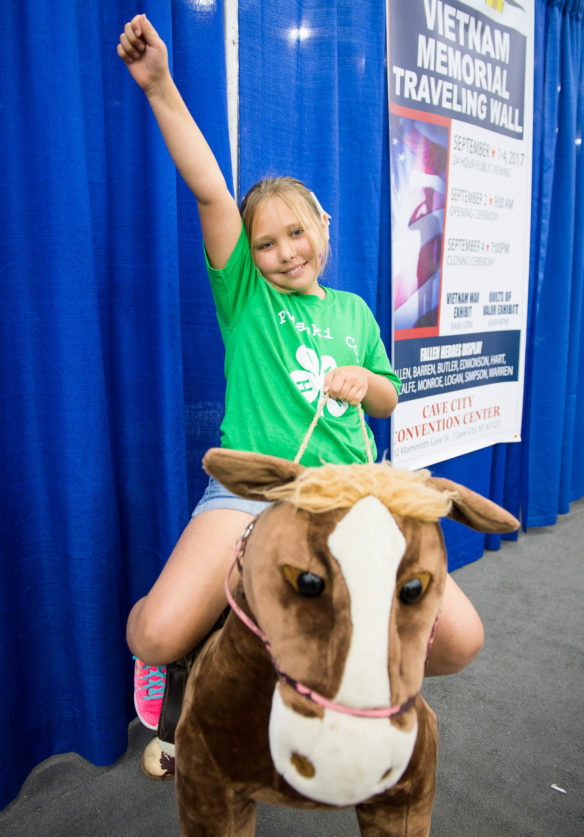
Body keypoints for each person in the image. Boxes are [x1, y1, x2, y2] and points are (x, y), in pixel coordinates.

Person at [117, 14, 484, 778]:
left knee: (459, 640)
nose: (284, 251)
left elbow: (387, 397)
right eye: (265, 242)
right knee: (153, 632)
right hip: (252, 491)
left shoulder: (351, 311)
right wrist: (159, 87)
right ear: (247, 255)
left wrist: (367, 382)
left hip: (354, 492)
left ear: (325, 224)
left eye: (296, 232)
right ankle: (184, 670)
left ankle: (346, 686)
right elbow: (212, 188)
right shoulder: (248, 297)